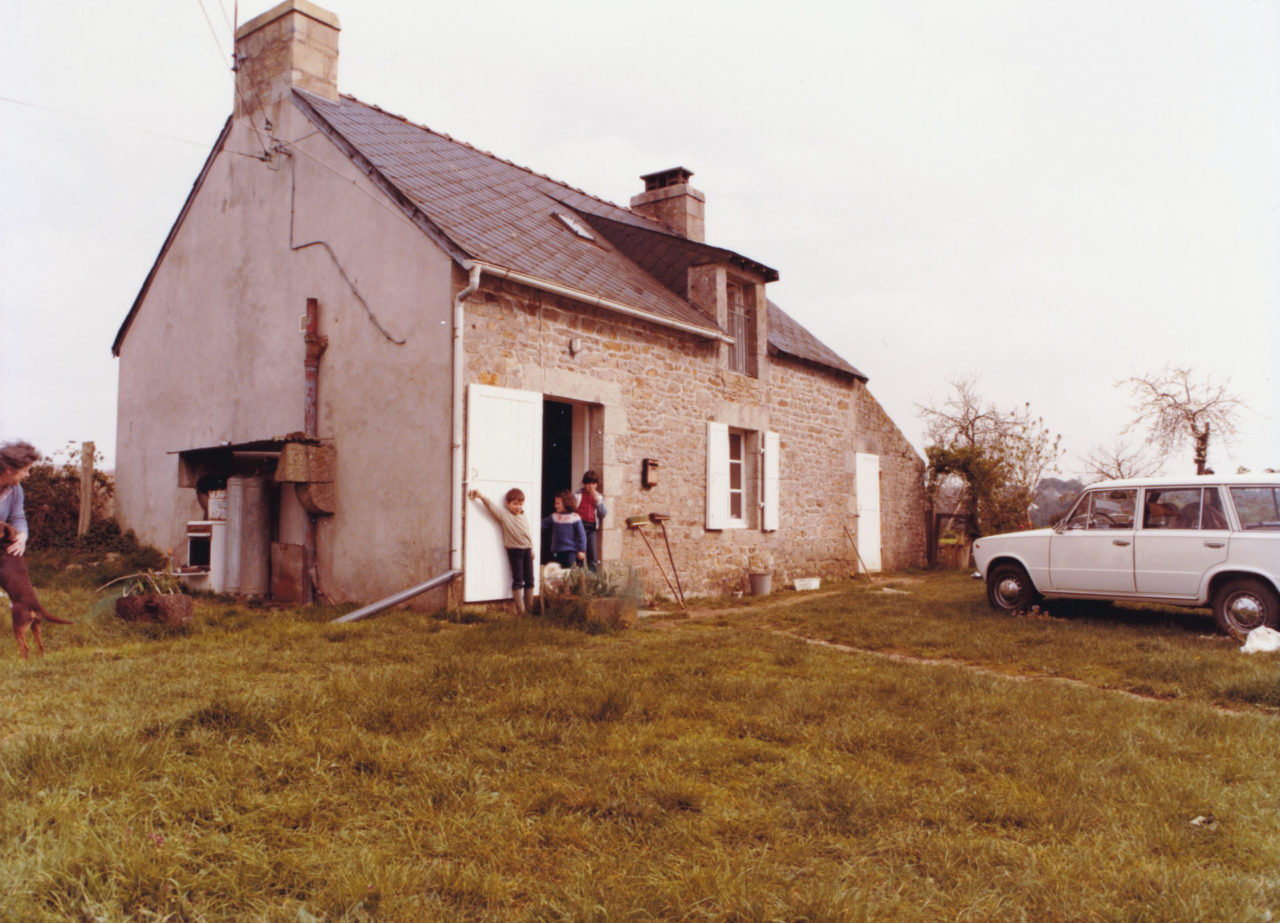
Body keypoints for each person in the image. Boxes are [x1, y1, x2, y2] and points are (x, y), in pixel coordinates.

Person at [468, 487, 534, 615]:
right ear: (507, 504)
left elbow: (527, 533)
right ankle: (522, 612)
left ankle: (530, 609)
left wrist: (531, 548)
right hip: (515, 551)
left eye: (520, 504)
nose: (517, 507)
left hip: (527, 550)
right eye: (515, 504)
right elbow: (492, 507)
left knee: (530, 579)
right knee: (518, 579)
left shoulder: (523, 515)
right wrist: (482, 497)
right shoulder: (504, 515)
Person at [0, 441, 41, 557]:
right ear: (8, 470)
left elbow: (18, 517)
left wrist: (22, 537)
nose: (27, 475)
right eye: (25, 470)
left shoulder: (16, 490)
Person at [542, 489, 586, 569]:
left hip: (569, 552)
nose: (556, 505)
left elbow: (582, 535)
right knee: (556, 574)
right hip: (556, 552)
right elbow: (541, 524)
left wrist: (581, 550)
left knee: (568, 574)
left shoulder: (574, 517)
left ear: (566, 503)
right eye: (555, 503)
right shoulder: (554, 517)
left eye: (558, 503)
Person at [574, 470, 608, 571]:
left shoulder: (599, 497)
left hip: (591, 529)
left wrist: (597, 501)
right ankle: (578, 582)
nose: (591, 486)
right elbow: (572, 511)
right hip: (580, 528)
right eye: (588, 483)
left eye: (594, 483)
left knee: (592, 558)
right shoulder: (577, 494)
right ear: (584, 483)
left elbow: (603, 514)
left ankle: (592, 583)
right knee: (579, 556)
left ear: (596, 484)